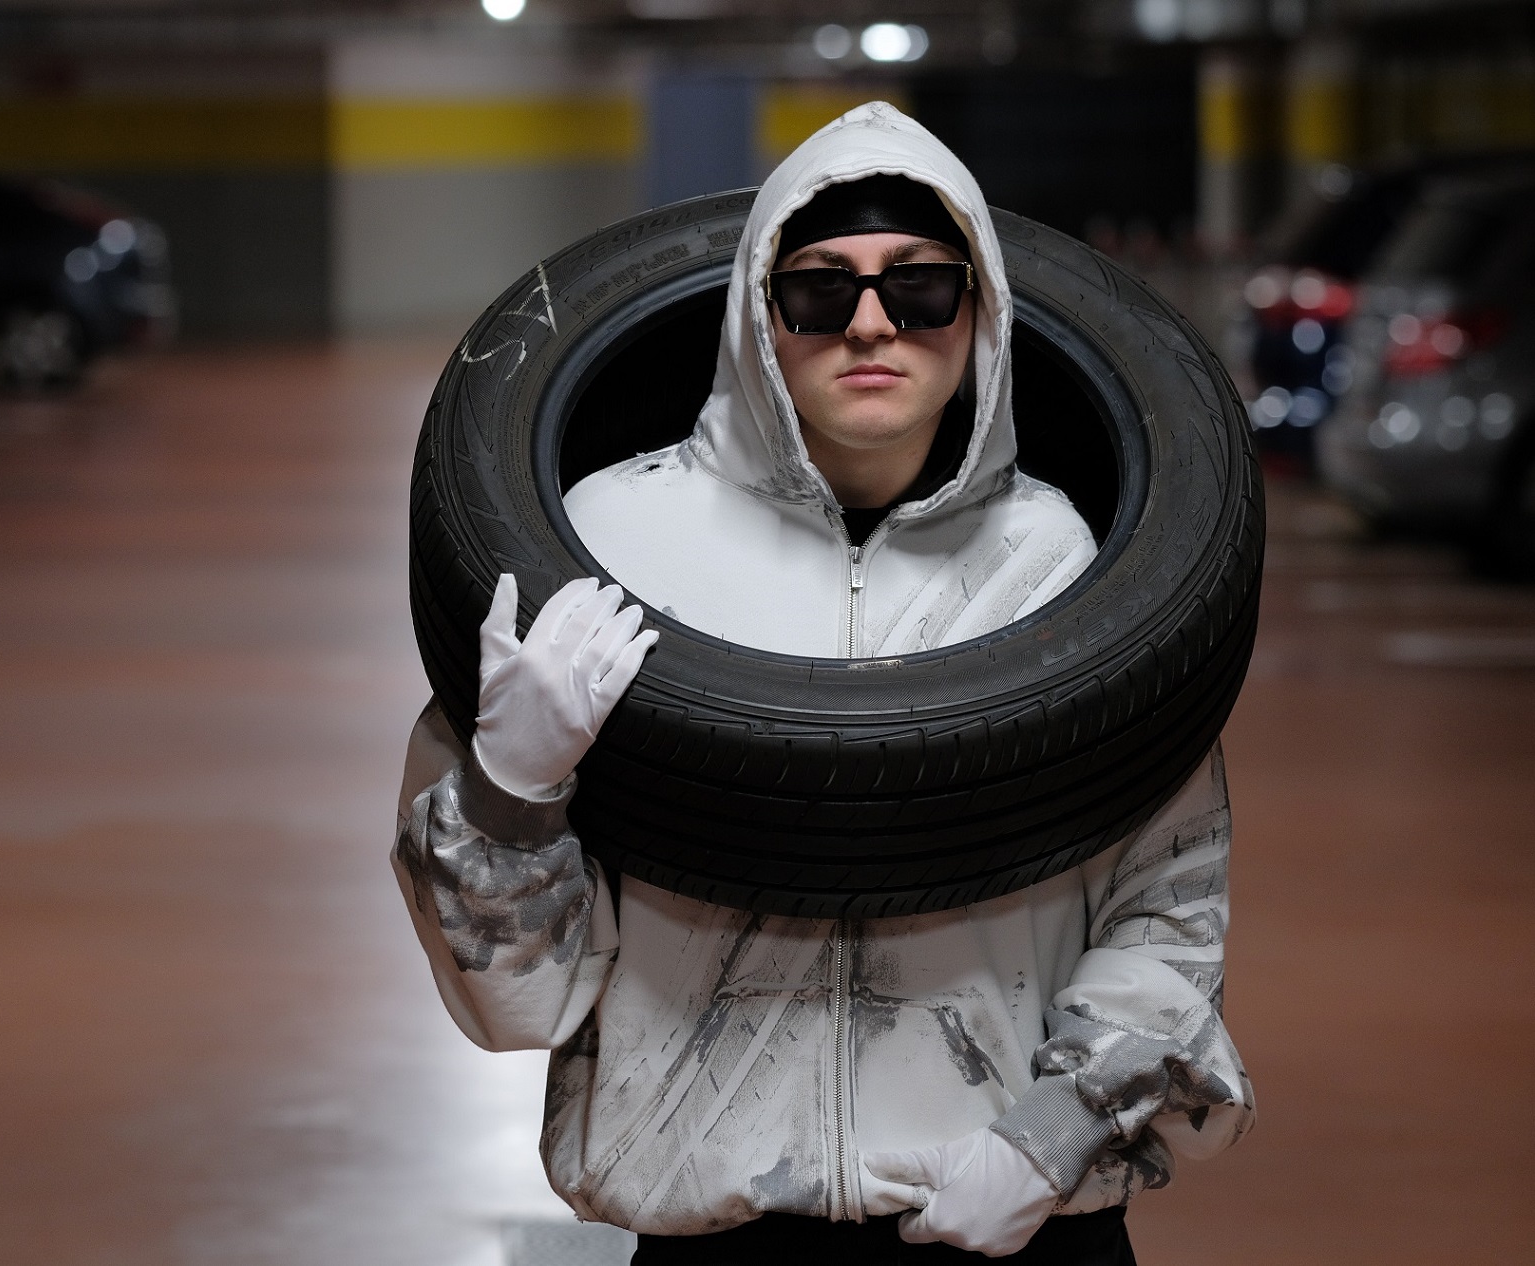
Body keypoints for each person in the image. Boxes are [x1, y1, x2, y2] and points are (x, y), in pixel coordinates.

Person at [394, 102, 1251, 1263]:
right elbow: (519, 1009)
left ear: (980, 311)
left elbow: (1167, 897)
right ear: (758, 309)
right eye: (816, 289)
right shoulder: (604, 553)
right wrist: (508, 793)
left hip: (1009, 1215)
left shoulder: (1069, 574)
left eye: (920, 288)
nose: (868, 326)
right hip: (716, 1231)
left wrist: (1059, 1129)